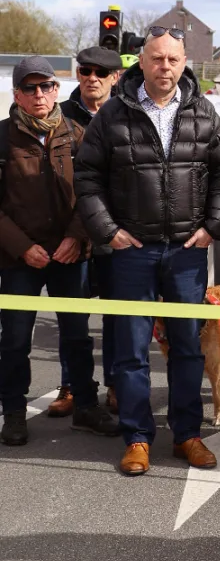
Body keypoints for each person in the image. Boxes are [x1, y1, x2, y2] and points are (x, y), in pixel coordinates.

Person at [74, 29, 220, 476]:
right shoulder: (112, 114)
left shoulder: (204, 113)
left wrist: (212, 228)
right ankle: (138, 438)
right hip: (132, 252)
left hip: (186, 252)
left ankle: (187, 435)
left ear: (185, 62)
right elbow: (87, 177)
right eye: (157, 59)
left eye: (173, 59)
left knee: (187, 347)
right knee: (129, 350)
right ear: (141, 62)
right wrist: (109, 231)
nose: (165, 67)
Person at [0, 57, 121, 445]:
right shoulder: (2, 137)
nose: (39, 95)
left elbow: (95, 189)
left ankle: (85, 405)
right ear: (17, 94)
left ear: (56, 89)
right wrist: (22, 247)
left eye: (46, 87)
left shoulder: (77, 133)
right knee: (16, 339)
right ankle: (14, 413)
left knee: (76, 335)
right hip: (20, 258)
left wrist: (77, 236)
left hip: (71, 254)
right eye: (30, 88)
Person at [43, 45, 123, 415]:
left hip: (115, 232)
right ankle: (72, 385)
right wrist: (75, 232)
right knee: (72, 316)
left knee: (117, 316)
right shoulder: (59, 117)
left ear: (114, 78)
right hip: (72, 234)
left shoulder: (127, 114)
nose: (92, 78)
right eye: (85, 71)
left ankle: (116, 385)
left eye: (101, 73)